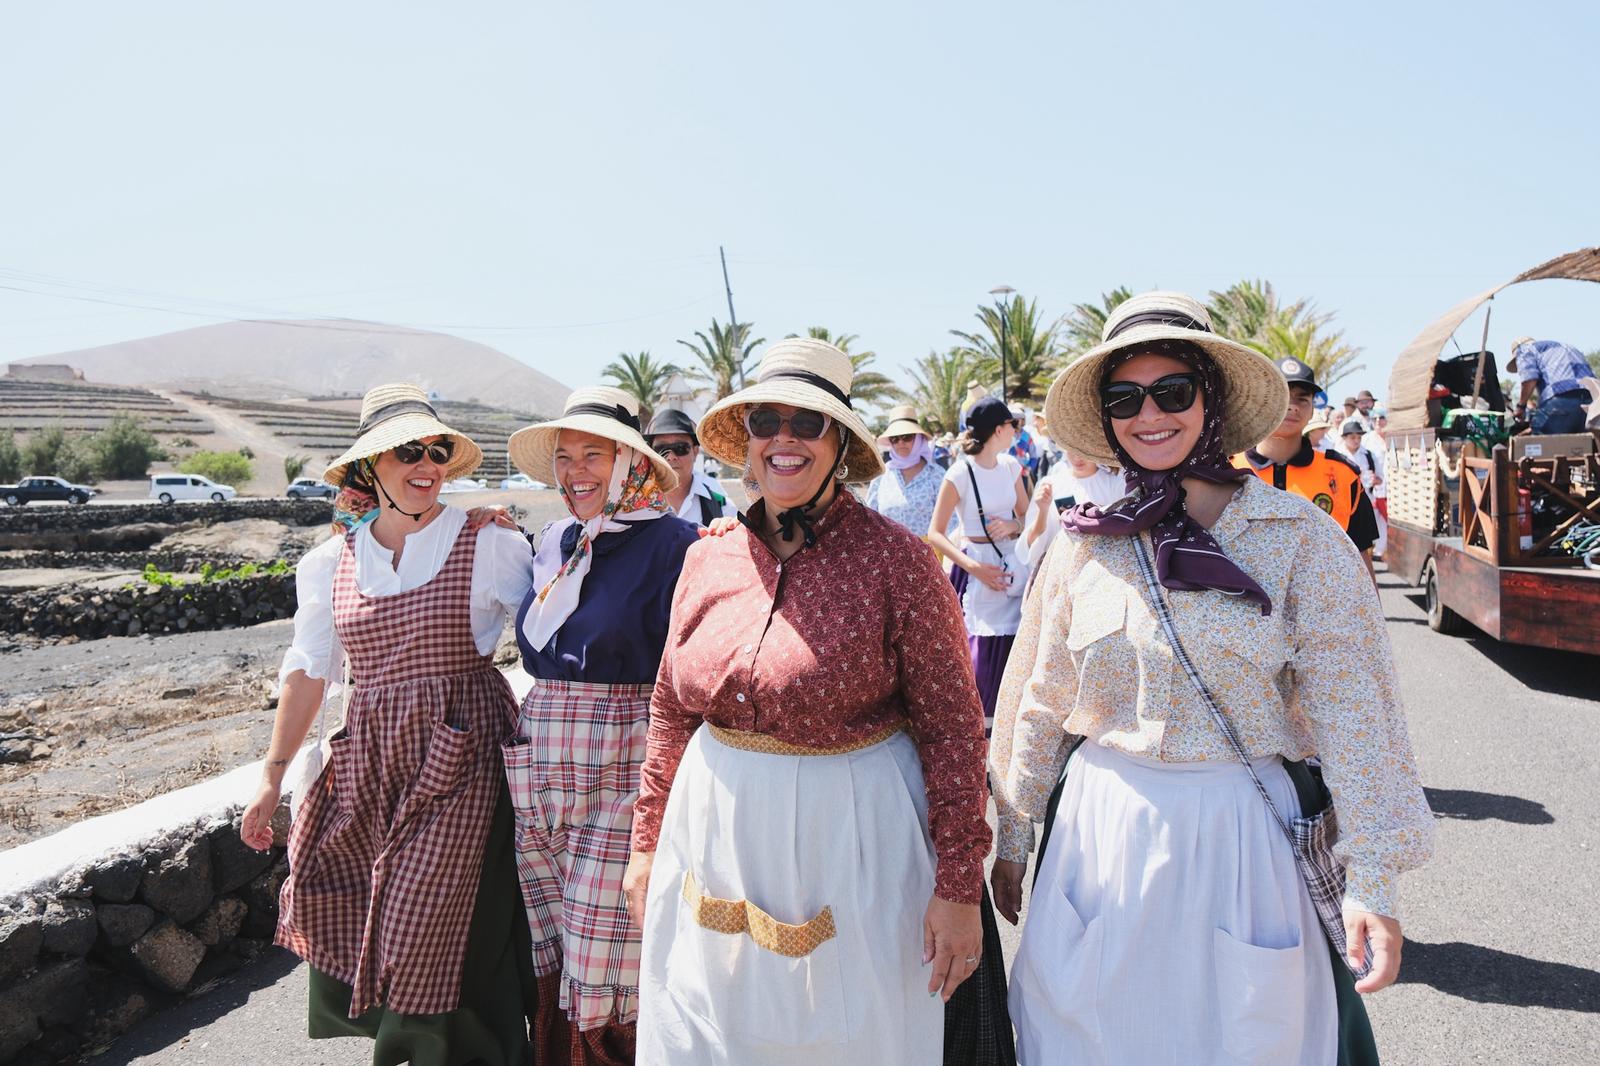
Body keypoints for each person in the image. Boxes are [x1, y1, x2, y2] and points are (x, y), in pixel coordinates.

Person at [990, 291, 1433, 1066]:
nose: (1149, 414)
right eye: (1125, 398)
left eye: (1173, 391)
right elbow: (1041, 696)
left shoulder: (1299, 540)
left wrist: (1373, 881)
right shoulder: (1083, 546)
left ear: (1213, 400)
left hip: (1240, 841)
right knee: (1087, 1036)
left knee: (1243, 1040)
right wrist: (1016, 832)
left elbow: (1356, 716)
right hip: (1101, 834)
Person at [623, 338, 1001, 1066]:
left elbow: (953, 731)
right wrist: (646, 845)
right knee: (708, 1024)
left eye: (808, 423)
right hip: (710, 833)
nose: (784, 439)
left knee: (847, 1031)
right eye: (766, 421)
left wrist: (958, 885)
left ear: (841, 444)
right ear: (747, 440)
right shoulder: (707, 557)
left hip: (852, 843)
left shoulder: (899, 562)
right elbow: (670, 708)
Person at [241, 383, 536, 1066]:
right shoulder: (329, 563)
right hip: (370, 763)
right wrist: (271, 778)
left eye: (437, 451)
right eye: (408, 452)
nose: (427, 464)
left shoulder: (488, 543)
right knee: (350, 898)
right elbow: (310, 671)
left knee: (426, 916)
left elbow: (555, 626)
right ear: (369, 467)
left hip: (461, 754)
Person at [499, 388, 699, 1065]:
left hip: (623, 764)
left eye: (593, 454)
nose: (574, 470)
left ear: (629, 464)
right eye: (564, 457)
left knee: (607, 953)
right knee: (554, 937)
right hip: (543, 766)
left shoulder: (677, 546)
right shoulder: (555, 541)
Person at [926, 397, 1030, 734]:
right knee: (977, 657)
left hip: (1011, 566)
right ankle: (977, 736)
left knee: (1013, 650)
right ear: (999, 430)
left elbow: (1027, 516)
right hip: (974, 571)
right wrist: (975, 568)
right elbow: (936, 532)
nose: (1015, 430)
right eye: (1012, 425)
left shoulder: (1011, 466)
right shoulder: (960, 473)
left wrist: (1014, 525)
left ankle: (1004, 731)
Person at [1235, 356, 1381, 581]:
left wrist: (1373, 605)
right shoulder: (1227, 469)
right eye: (1282, 396)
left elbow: (1361, 556)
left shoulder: (1344, 476)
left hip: (1325, 600)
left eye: (1302, 399)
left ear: (1312, 410)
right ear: (1262, 403)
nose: (1292, 406)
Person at [1015, 449, 1124, 570]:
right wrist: (1043, 510)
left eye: (1082, 450)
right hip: (1062, 569)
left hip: (1103, 569)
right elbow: (1030, 545)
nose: (1077, 457)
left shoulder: (1115, 484)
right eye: (1071, 450)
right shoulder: (1051, 484)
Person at [865, 403, 956, 539]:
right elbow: (869, 519)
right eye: (895, 439)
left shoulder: (936, 474)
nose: (900, 442)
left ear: (919, 438)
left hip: (929, 551)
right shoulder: (881, 476)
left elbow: (952, 521)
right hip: (888, 550)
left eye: (907, 437)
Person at [641, 408, 735, 528]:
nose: (671, 457)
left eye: (680, 448)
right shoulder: (632, 506)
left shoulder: (720, 504)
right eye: (661, 449)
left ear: (695, 452)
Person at [1509, 336, 1598, 434]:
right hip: (1590, 401)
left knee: (1539, 438)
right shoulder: (1569, 347)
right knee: (1583, 441)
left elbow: (1529, 379)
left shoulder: (1524, 349)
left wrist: (1521, 406)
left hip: (1561, 400)